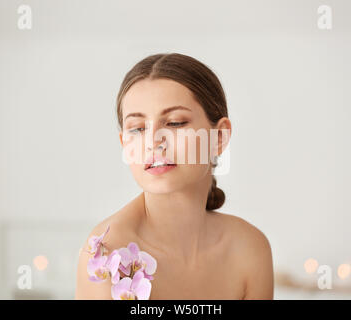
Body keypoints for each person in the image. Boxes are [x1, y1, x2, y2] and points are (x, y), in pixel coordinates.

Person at [75, 53, 273, 299]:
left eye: (175, 123)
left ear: (219, 137)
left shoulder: (250, 249)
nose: (153, 141)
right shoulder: (106, 256)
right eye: (137, 128)